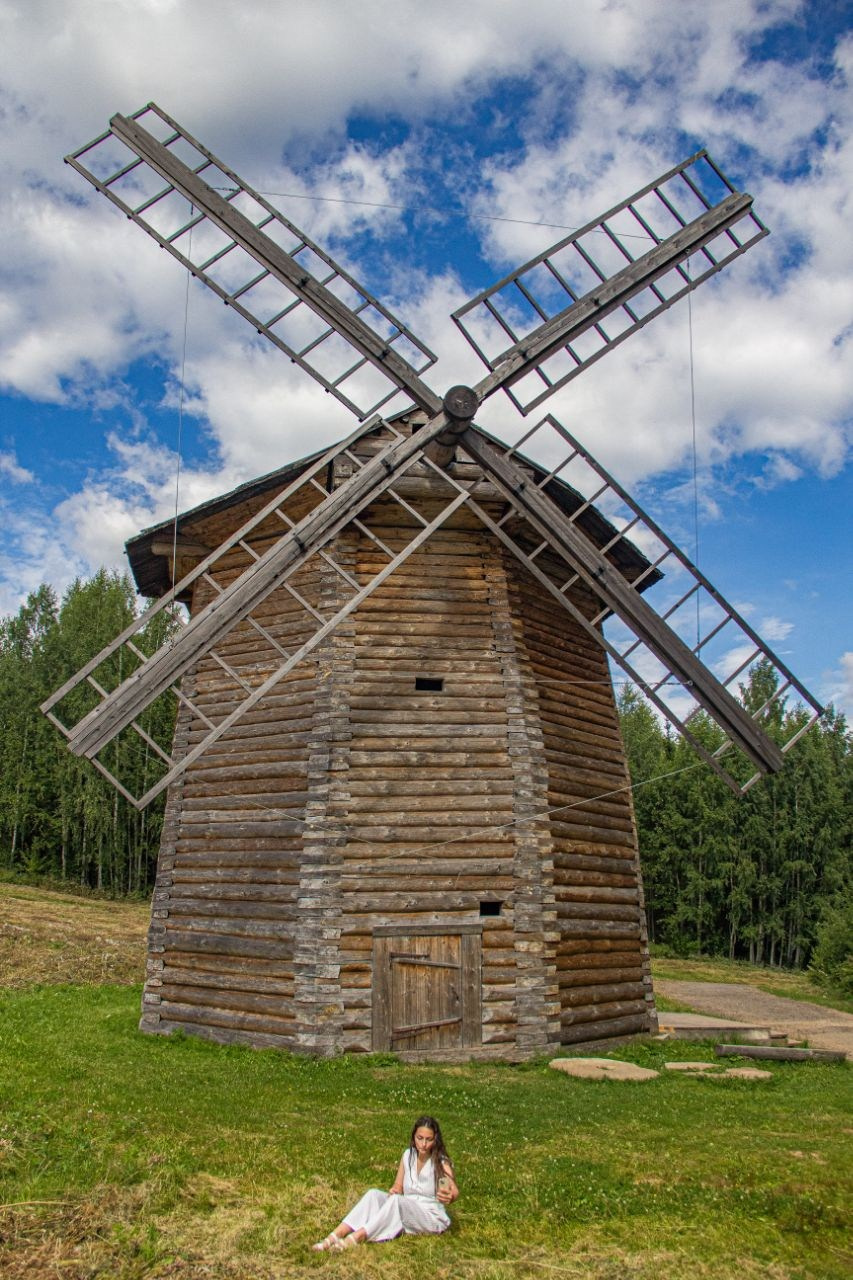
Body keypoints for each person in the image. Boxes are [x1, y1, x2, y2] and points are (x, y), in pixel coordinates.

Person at [312, 1115, 458, 1250]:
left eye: (429, 1139)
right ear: (414, 1136)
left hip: (429, 1216)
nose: (424, 1144)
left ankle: (358, 1236)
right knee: (373, 1195)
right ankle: (333, 1236)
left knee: (397, 1201)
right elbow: (398, 1186)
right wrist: (394, 1190)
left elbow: (451, 1188)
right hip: (407, 1207)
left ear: (435, 1140)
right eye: (420, 1138)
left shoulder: (440, 1161)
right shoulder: (408, 1156)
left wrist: (449, 1195)